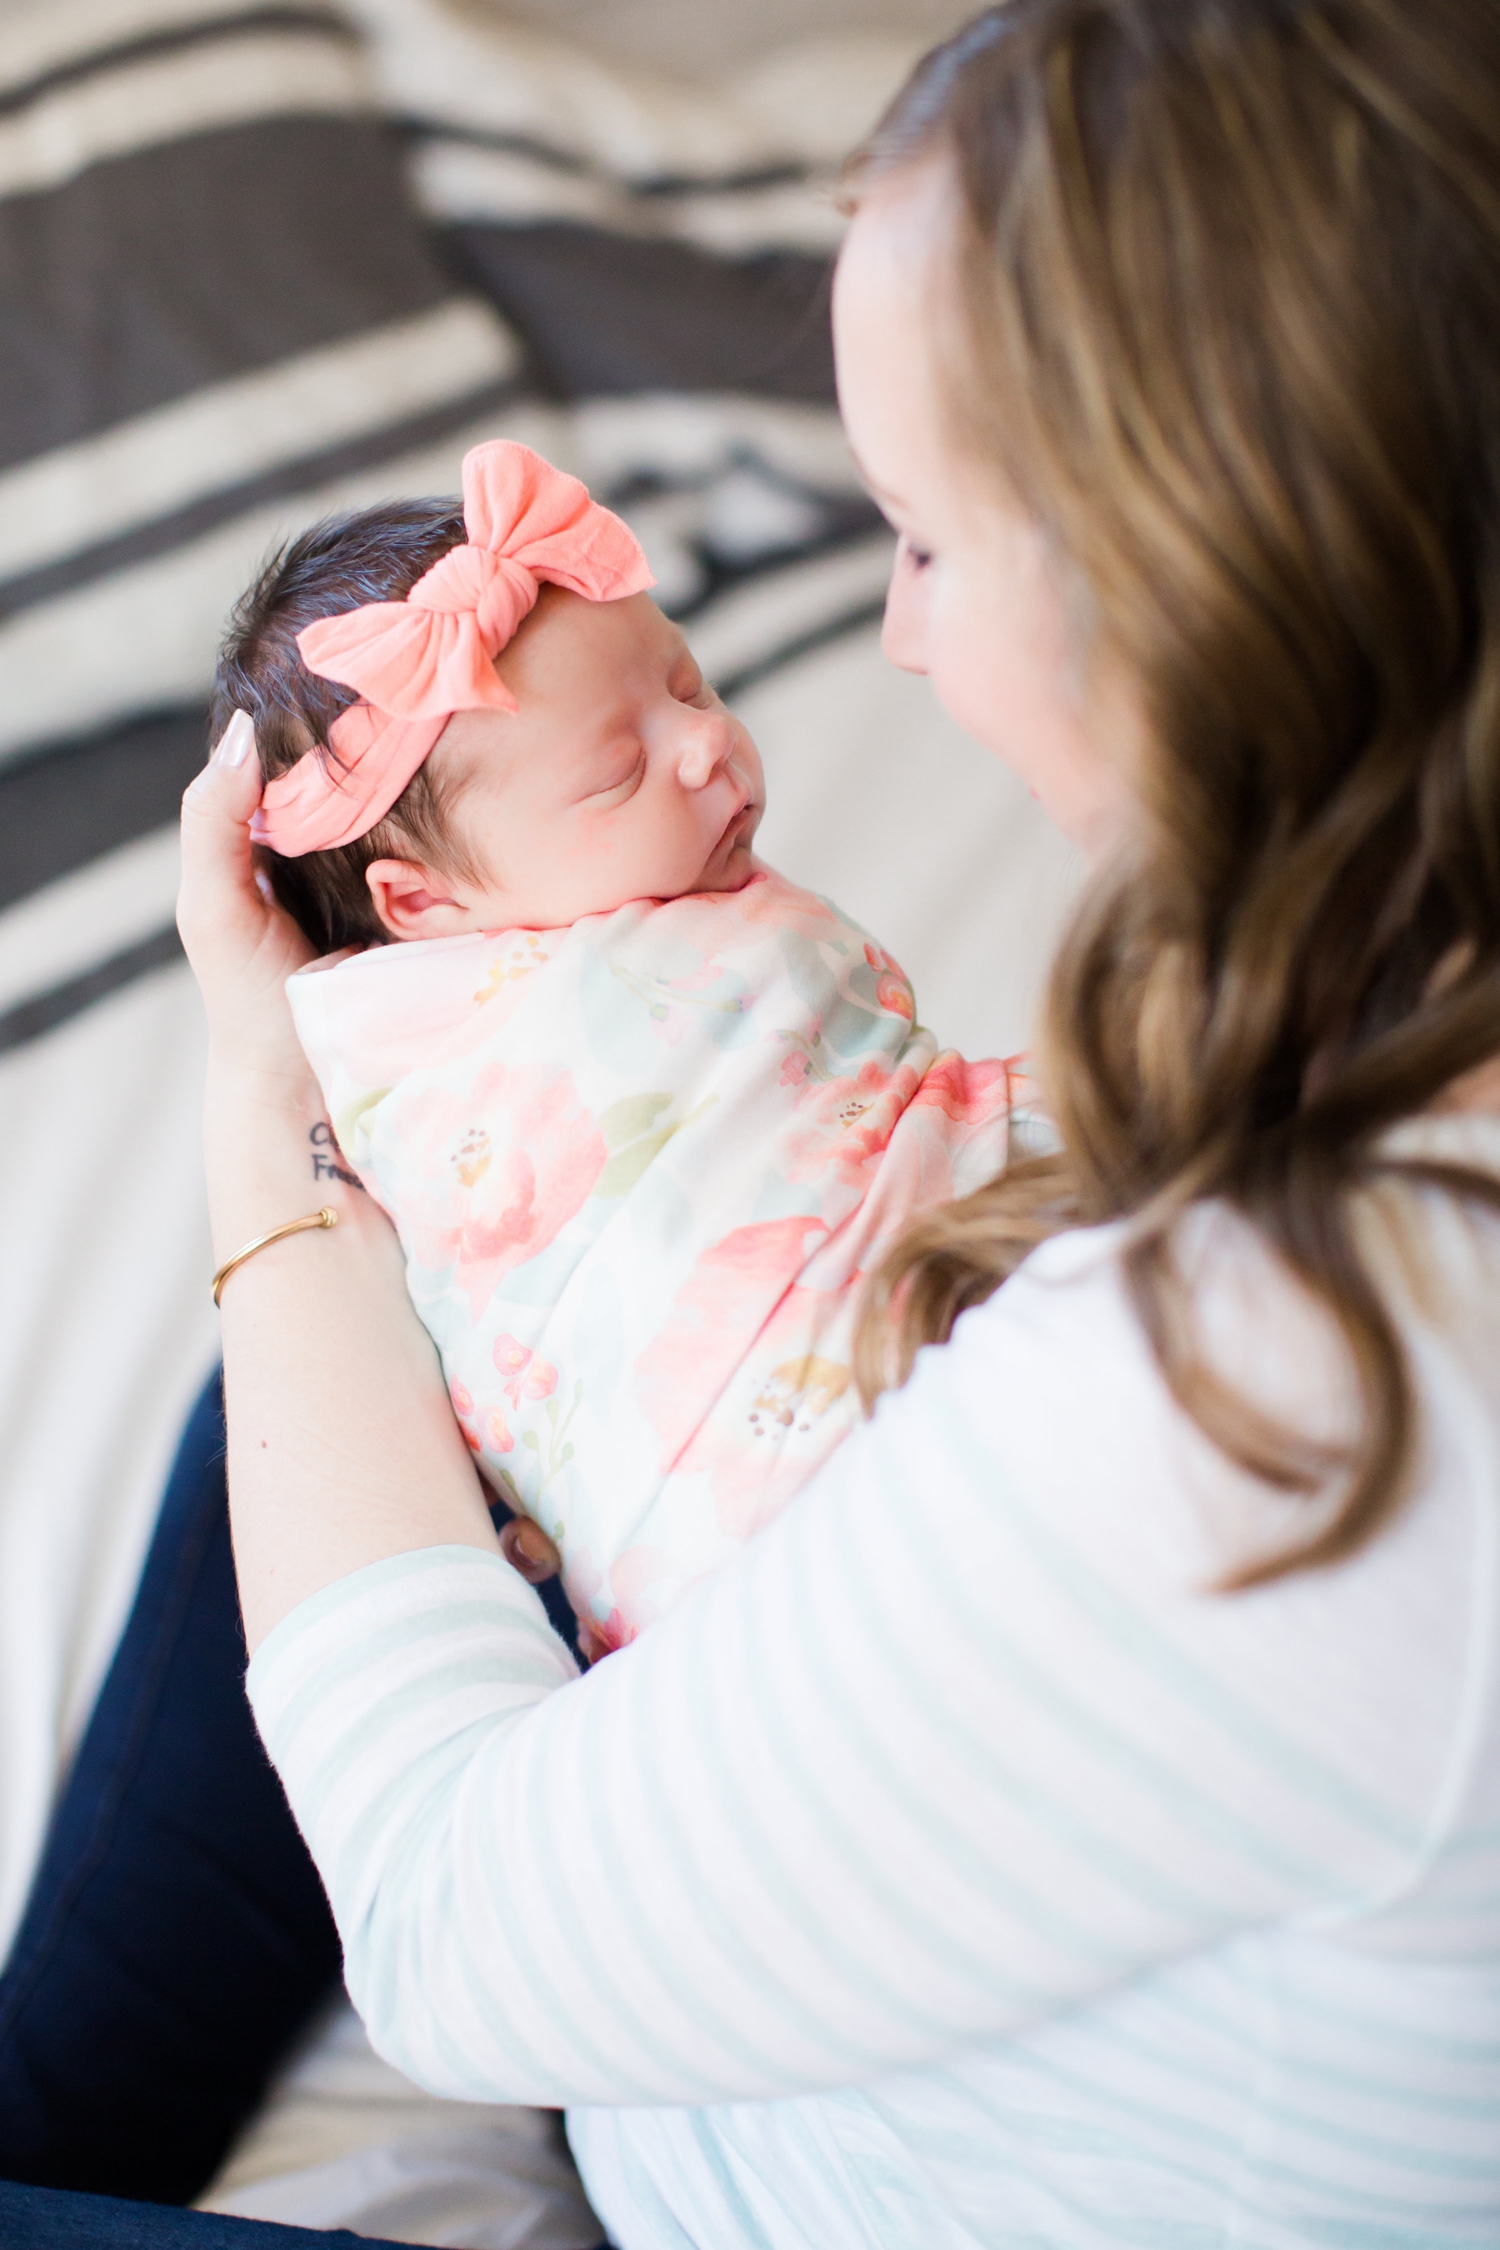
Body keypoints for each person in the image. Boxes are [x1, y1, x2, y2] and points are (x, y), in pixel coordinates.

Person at [5, 1, 1500, 2241]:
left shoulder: (1277, 1385)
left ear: (1197, 566)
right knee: (333, 1402)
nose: (888, 640)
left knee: (319, 1368)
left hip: (734, 2136)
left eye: (918, 535)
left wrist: (261, 1101)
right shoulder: (1386, 1024)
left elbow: (449, 1936)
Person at [223, 438, 1017, 1655]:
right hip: (743, 1486)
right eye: (617, 771)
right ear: (421, 908)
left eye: (689, 686)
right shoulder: (418, 1046)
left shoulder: (656, 900)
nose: (705, 747)